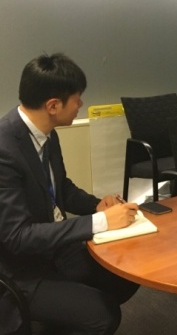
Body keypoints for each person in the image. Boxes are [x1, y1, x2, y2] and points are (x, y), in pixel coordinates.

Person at [0, 53, 139, 335]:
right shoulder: (5, 149)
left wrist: (97, 205)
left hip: (54, 250)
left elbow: (61, 187)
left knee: (128, 273)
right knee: (103, 316)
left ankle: (64, 317)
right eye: (77, 98)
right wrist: (101, 222)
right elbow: (17, 237)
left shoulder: (46, 133)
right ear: (53, 105)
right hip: (21, 270)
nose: (81, 105)